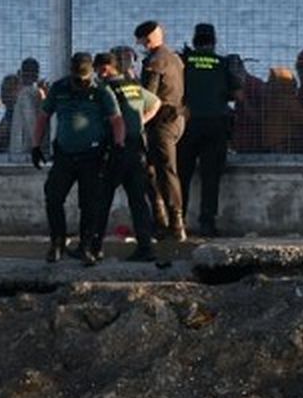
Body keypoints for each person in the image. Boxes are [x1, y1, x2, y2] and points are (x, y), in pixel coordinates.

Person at [32, 52, 124, 265]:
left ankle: (86, 247)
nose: (79, 83)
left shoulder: (101, 91)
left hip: (92, 156)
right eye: (76, 79)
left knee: (90, 203)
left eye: (83, 79)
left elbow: (117, 120)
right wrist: (36, 145)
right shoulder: (60, 88)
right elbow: (43, 116)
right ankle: (57, 243)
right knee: (53, 197)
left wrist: (118, 146)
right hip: (64, 154)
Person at [93, 51, 160, 263]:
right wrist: (141, 121)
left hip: (116, 147)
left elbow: (107, 119)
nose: (97, 75)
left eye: (98, 70)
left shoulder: (106, 88)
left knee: (102, 198)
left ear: (105, 69)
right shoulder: (133, 86)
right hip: (137, 147)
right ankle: (146, 247)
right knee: (138, 200)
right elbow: (156, 102)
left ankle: (94, 247)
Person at [178, 23, 241, 237]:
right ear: (214, 41)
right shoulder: (223, 63)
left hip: (188, 124)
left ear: (195, 41)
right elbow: (237, 94)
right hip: (216, 124)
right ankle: (207, 222)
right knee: (211, 177)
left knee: (181, 175)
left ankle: (178, 221)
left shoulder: (184, 61)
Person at [135, 21, 187, 240]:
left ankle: (173, 224)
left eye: (141, 41)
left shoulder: (155, 62)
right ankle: (166, 222)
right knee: (158, 170)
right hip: (177, 119)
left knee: (163, 171)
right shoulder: (175, 58)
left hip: (160, 122)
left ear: (147, 40)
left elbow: (149, 97)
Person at [9, 58, 46, 155]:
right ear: (36, 75)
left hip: (21, 148)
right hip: (26, 148)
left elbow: (31, 122)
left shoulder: (25, 94)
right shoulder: (32, 94)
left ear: (21, 73)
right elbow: (32, 122)